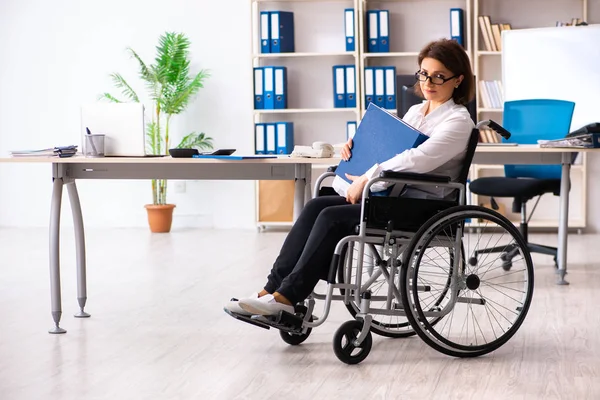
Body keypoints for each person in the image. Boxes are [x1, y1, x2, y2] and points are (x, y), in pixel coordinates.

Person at [225, 38, 475, 317]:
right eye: (424, 73)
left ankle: (288, 297)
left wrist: (367, 177)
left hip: (425, 206)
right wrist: (354, 151)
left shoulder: (458, 122)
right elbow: (391, 150)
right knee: (316, 205)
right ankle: (270, 290)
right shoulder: (417, 111)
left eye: (439, 76)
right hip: (394, 194)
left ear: (458, 80)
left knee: (333, 217)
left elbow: (415, 159)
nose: (428, 82)